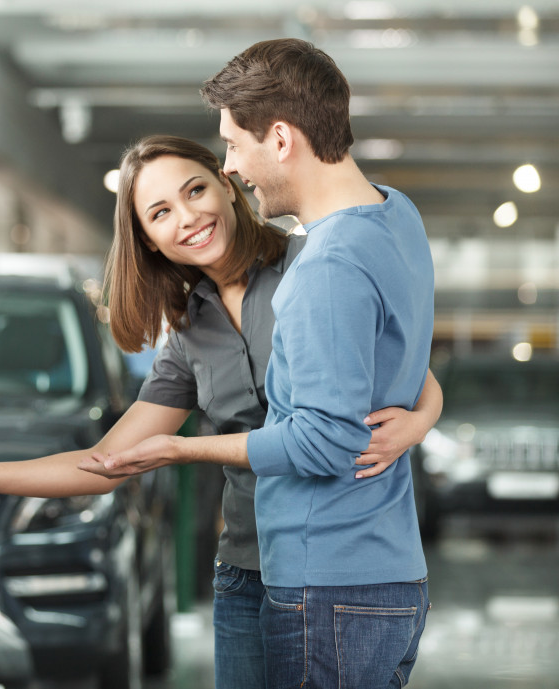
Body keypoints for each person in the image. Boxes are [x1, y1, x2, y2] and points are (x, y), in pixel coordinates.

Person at [0, 132, 441, 687]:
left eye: (195, 191)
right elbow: (106, 462)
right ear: (147, 238)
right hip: (245, 575)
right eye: (161, 212)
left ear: (227, 184)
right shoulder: (191, 333)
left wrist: (415, 423)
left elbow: (411, 367)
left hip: (337, 573)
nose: (187, 218)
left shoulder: (313, 264)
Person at [84, 39, 436, 687]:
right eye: (160, 211)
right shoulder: (395, 213)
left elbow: (326, 441)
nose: (231, 165)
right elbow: (399, 356)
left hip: (325, 574)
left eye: (234, 146)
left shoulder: (319, 269)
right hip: (373, 574)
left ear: (280, 138)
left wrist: (182, 451)